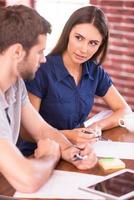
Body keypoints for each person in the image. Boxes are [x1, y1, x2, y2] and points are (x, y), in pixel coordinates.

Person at [0, 5, 97, 193]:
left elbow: (42, 130)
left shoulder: (15, 83)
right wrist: (51, 156)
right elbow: (27, 180)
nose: (44, 59)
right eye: (39, 52)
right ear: (17, 52)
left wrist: (72, 152)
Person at [22, 5, 131, 152]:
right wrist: (69, 136)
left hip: (73, 150)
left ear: (100, 46)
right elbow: (26, 132)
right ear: (68, 33)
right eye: (79, 38)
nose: (84, 49)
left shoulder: (94, 71)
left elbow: (124, 110)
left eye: (93, 43)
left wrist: (96, 126)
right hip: (37, 153)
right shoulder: (41, 69)